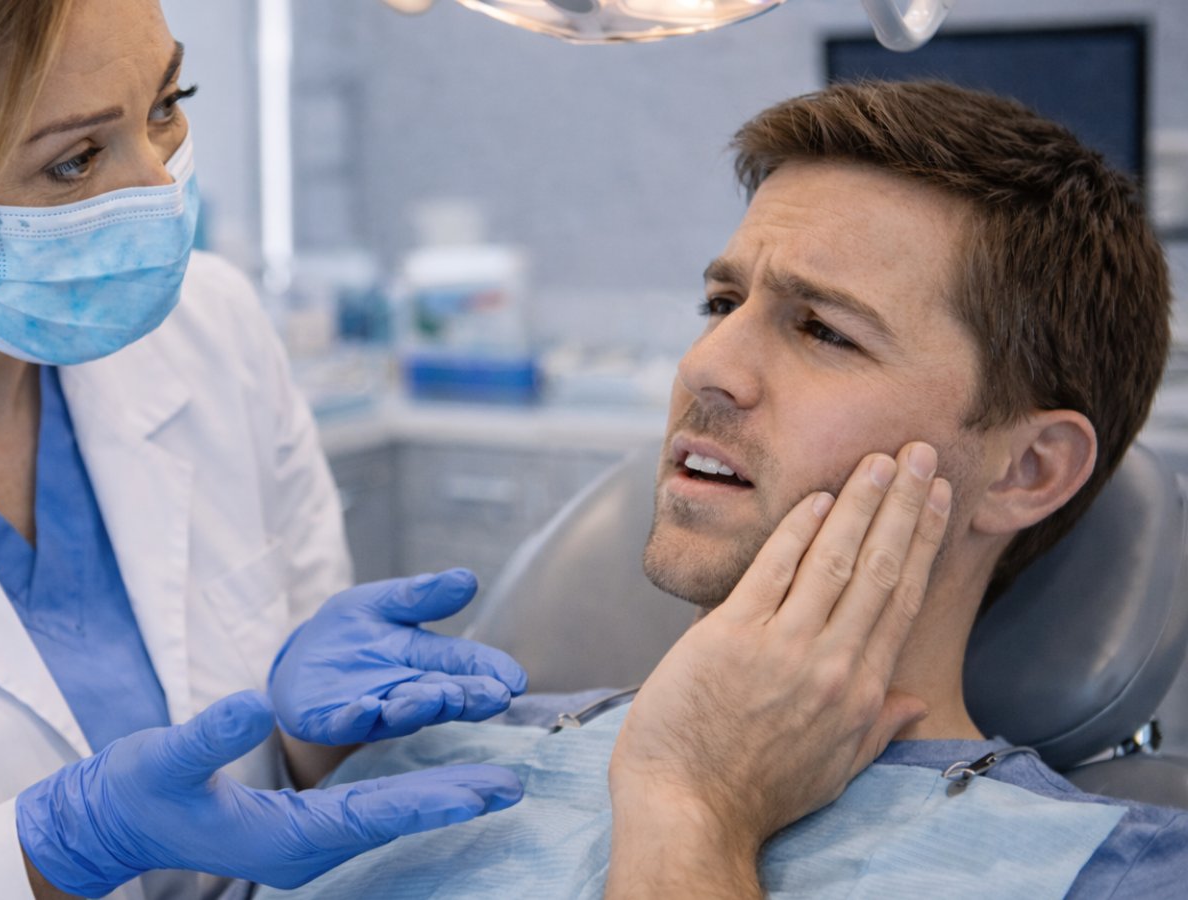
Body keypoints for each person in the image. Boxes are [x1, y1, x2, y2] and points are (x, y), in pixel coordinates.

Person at [0, 2, 942, 899]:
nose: (152, 192)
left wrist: (309, 746)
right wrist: (58, 849)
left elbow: (280, 776)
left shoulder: (209, 331)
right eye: (72, 163)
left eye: (165, 109)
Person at [253, 80, 1184, 900]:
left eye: (823, 330)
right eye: (721, 304)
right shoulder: (448, 755)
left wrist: (696, 812)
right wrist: (307, 768)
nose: (707, 364)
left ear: (1026, 471)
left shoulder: (1107, 871)